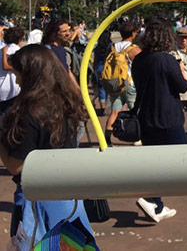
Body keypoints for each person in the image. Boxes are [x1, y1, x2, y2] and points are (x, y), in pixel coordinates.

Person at [0, 44, 93, 247]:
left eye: (18, 74)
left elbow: (16, 166)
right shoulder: (68, 104)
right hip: (68, 196)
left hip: (36, 198)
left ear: (30, 75)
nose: (16, 80)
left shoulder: (29, 112)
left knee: (34, 245)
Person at [132, 19, 187, 223]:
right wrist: (181, 71)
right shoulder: (166, 60)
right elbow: (183, 87)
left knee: (153, 161)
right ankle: (151, 198)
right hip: (168, 117)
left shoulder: (139, 59)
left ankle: (155, 202)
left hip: (146, 117)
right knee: (183, 158)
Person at [104, 22, 141, 146]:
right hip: (130, 83)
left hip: (116, 83)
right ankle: (137, 137)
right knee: (135, 110)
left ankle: (107, 139)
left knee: (114, 112)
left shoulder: (113, 47)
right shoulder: (134, 49)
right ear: (133, 34)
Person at [0, 26, 24, 117]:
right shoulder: (18, 51)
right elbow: (6, 67)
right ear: (20, 39)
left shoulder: (2, 49)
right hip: (12, 90)